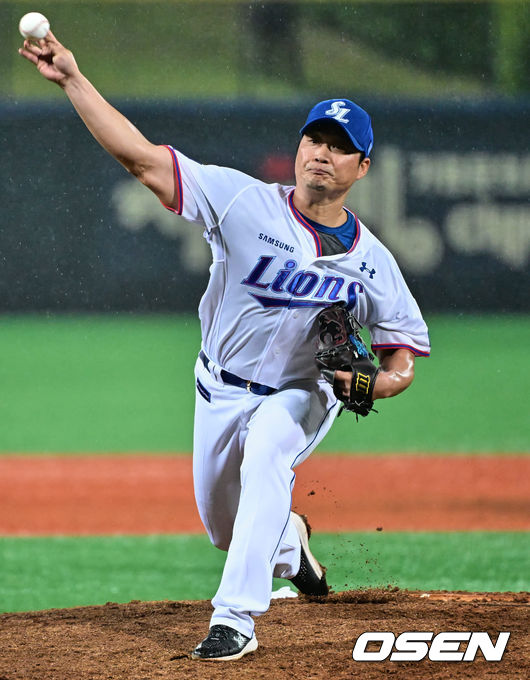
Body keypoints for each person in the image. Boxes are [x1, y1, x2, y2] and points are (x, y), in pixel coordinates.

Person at [20, 32, 430, 662]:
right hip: (217, 386)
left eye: (341, 147)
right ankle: (291, 547)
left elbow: (401, 355)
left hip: (299, 394)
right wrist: (73, 78)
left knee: (269, 448)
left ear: (362, 168)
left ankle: (235, 618)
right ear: (298, 146)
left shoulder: (374, 264)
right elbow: (142, 160)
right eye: (315, 138)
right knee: (223, 527)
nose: (323, 153)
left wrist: (378, 383)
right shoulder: (241, 200)